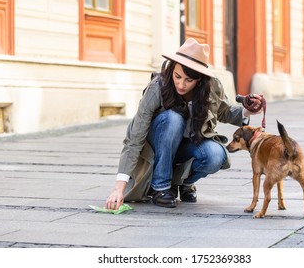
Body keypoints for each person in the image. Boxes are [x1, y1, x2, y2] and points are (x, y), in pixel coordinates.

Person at [105, 38, 263, 209]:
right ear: (172, 69)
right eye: (177, 76)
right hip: (157, 146)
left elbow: (224, 112)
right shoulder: (157, 87)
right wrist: (118, 189)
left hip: (188, 145)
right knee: (173, 118)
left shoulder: (211, 86)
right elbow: (134, 138)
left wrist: (248, 110)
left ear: (199, 80)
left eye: (189, 80)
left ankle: (180, 183)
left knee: (216, 155)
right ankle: (161, 187)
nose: (181, 84)